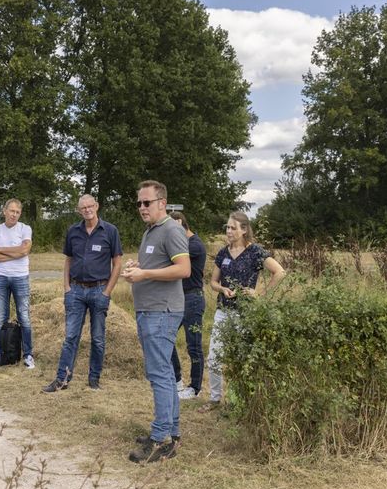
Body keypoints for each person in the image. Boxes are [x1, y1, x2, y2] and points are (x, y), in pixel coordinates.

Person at [122, 180, 190, 463]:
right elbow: (156, 266)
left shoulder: (171, 229)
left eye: (146, 202)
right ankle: (171, 432)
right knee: (161, 373)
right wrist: (138, 268)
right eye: (139, 203)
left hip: (161, 312)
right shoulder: (150, 231)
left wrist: (145, 275)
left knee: (160, 375)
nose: (141, 207)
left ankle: (160, 437)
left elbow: (183, 269)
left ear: (162, 202)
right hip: (149, 311)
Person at [201, 211, 286, 413]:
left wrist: (259, 293)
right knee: (214, 357)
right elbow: (213, 282)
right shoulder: (223, 253)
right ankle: (214, 399)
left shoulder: (255, 252)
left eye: (233, 228)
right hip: (223, 311)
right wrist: (222, 289)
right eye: (227, 227)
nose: (229, 231)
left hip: (245, 313)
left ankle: (236, 402)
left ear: (244, 230)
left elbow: (280, 272)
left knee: (239, 359)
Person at [42, 194, 122, 392]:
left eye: (90, 206)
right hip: (76, 291)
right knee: (71, 337)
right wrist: (67, 288)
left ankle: (94, 379)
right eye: (83, 207)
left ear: (97, 206)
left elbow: (117, 263)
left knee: (97, 338)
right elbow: (68, 259)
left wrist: (107, 291)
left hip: (99, 290)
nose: (87, 210)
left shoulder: (110, 231)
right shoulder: (73, 231)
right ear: (79, 210)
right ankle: (62, 379)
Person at [0, 198, 34, 369]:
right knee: (1, 318)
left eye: (17, 212)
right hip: (1, 277)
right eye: (11, 211)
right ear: (4, 211)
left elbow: (25, 250)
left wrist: (1, 249)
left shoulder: (25, 229)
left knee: (24, 317)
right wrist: (16, 252)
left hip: (20, 277)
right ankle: (0, 354)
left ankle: (28, 355)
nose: (14, 214)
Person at [168, 211, 207, 400]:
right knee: (167, 339)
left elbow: (171, 259)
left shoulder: (194, 245)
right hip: (178, 298)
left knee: (194, 345)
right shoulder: (183, 243)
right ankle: (176, 381)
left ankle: (195, 388)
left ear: (179, 223)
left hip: (192, 298)